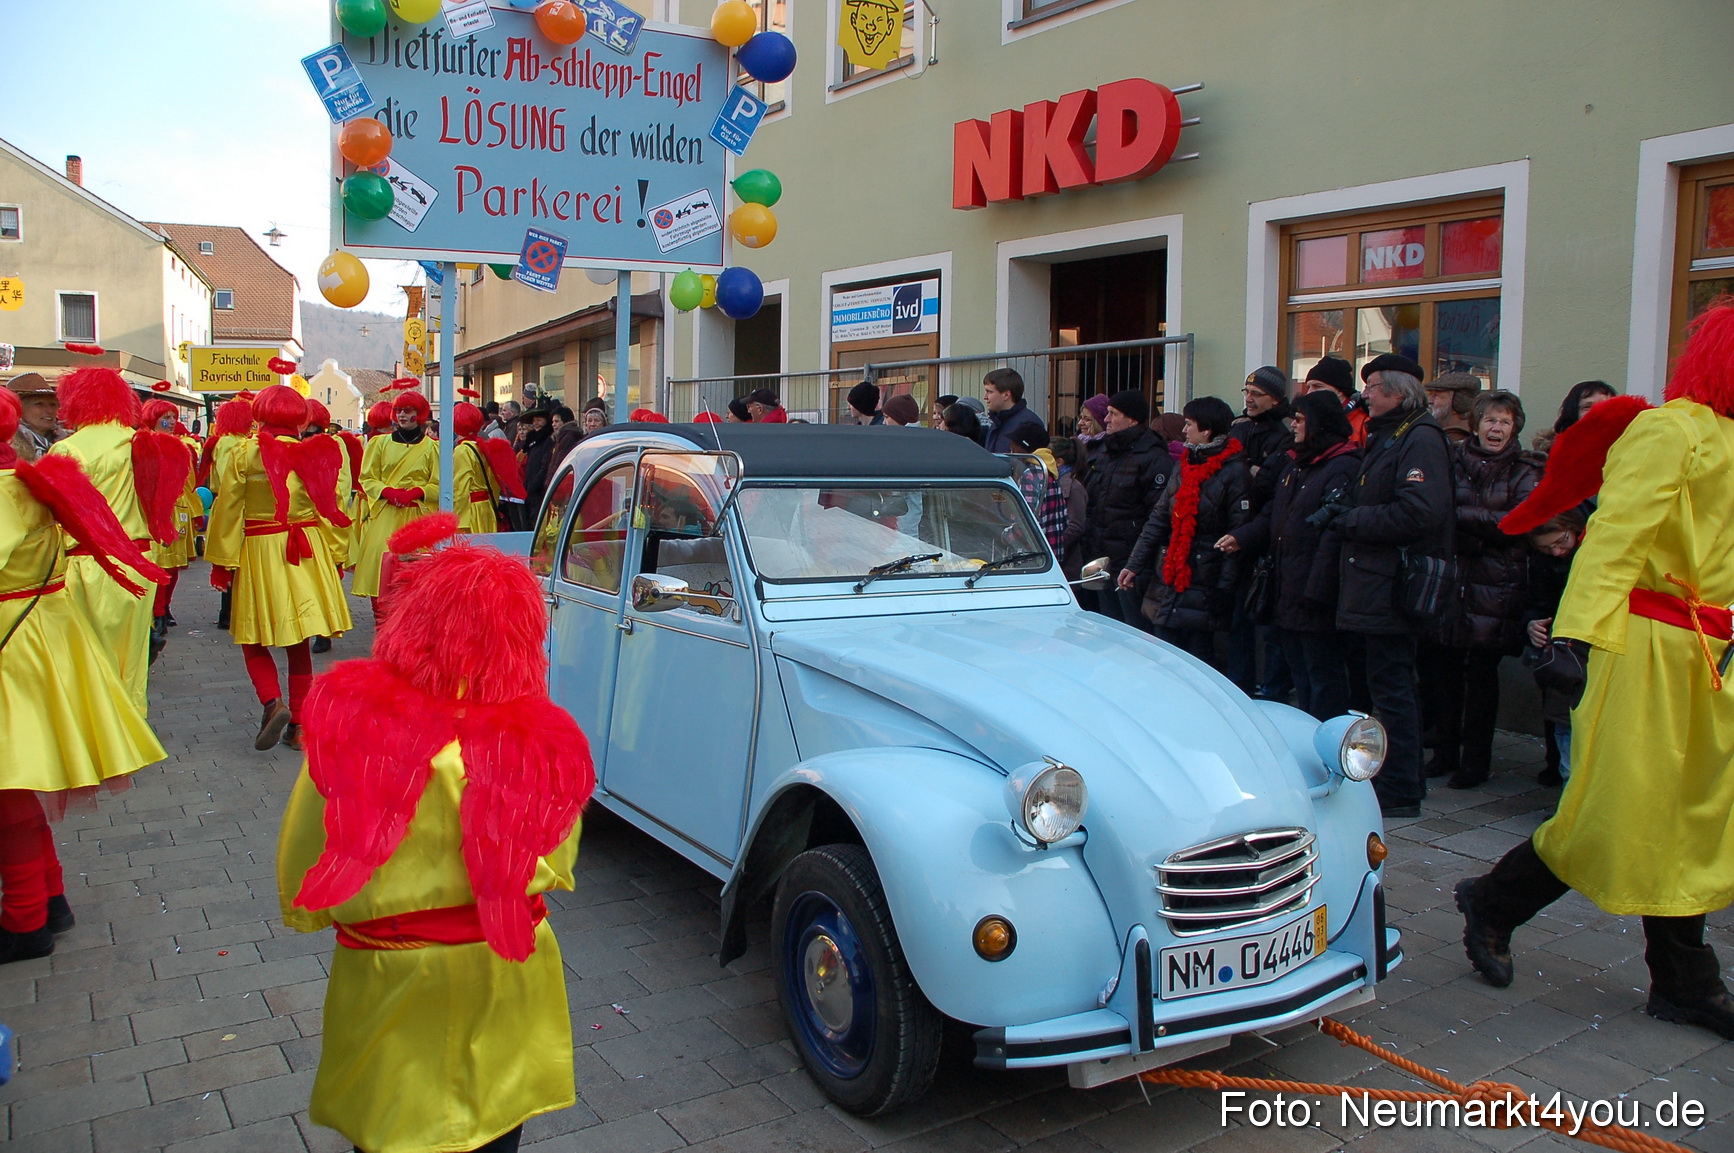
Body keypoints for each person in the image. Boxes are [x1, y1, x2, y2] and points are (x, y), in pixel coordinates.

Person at [1455, 302, 1734, 1042]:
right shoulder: (1671, 430)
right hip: (1645, 646)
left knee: (1693, 816)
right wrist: (1571, 642)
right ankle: (1493, 899)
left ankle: (1683, 979)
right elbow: (1614, 535)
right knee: (1617, 812)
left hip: (1714, 657)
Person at [277, 514, 597, 1153]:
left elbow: (308, 850)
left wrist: (309, 914)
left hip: (392, 969)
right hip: (507, 961)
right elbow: (556, 859)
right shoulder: (543, 738)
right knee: (495, 1114)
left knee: (395, 1119)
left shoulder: (356, 726)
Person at [0, 387, 168, 963]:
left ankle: (27, 916)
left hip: (27, 632)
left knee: (12, 777)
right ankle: (45, 899)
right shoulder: (38, 475)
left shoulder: (46, 468)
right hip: (58, 620)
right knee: (23, 769)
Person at [1312, 353, 1453, 819]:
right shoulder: (1390, 436)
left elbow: (1419, 512)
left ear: (1396, 390)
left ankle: (1399, 789)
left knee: (1392, 689)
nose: (1364, 394)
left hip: (1393, 586)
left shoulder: (1419, 439)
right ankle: (1394, 781)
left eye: (1371, 386)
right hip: (1374, 584)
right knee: (1382, 686)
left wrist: (1351, 519)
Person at [205, 385, 353, 752]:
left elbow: (227, 509)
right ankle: (300, 725)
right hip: (307, 548)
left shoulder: (244, 453)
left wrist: (222, 562)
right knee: (299, 639)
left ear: (261, 415)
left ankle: (272, 703)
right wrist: (336, 555)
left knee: (252, 634)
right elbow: (329, 507)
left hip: (260, 546)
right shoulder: (313, 453)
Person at [47, 367, 191, 713]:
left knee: (90, 659)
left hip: (89, 565)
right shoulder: (143, 443)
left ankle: (102, 736)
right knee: (132, 656)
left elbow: (55, 518)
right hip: (140, 562)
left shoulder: (68, 450)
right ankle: (132, 724)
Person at [1421, 390, 1541, 789]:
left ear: (1514, 428)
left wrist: (1463, 522)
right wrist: (1473, 527)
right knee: (1444, 672)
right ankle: (1444, 752)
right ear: (1476, 423)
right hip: (1452, 581)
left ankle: (1475, 761)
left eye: (1505, 422)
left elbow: (1519, 520)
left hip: (1496, 586)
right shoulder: (1451, 459)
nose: (1497, 428)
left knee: (1482, 678)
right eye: (1490, 420)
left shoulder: (1525, 469)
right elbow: (1433, 508)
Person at [1219, 390, 1362, 720]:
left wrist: (1315, 591)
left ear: (1318, 424)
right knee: (1300, 670)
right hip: (1287, 585)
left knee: (1322, 674)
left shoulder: (1342, 467)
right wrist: (1242, 537)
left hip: (1314, 591)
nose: (1293, 425)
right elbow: (1273, 515)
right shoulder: (1296, 465)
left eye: (1300, 419)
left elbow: (1332, 536)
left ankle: (1325, 735)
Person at [1119, 396, 1251, 660]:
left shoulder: (1234, 472)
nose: (1184, 430)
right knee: (1163, 655)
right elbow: (1158, 519)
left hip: (1205, 579)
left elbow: (1237, 535)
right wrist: (1133, 565)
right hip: (1169, 572)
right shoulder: (1184, 465)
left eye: (1190, 424)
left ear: (1207, 429)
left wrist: (1223, 591)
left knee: (1197, 657)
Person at [1083, 390, 1171, 630]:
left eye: (1114, 414)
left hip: (1131, 565)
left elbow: (1158, 515)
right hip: (1102, 560)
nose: (1107, 419)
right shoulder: (1106, 452)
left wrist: (1137, 562)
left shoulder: (1153, 457)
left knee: (1132, 631)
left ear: (1132, 419)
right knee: (1106, 629)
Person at [352, 391, 438, 620]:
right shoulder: (379, 444)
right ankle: (382, 629)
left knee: (416, 577)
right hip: (386, 515)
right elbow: (367, 477)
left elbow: (440, 485)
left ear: (418, 415)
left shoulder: (432, 448)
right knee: (379, 573)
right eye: (399, 410)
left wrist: (418, 492)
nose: (401, 415)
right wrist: (387, 492)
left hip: (417, 519)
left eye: (408, 410)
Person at [1521, 509, 1589, 786]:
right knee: (1560, 720)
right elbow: (1531, 601)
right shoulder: (1541, 562)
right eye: (1548, 548)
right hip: (1558, 652)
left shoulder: (1590, 553)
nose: (1558, 551)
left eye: (1561, 542)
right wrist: (1530, 625)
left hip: (1583, 646)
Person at [138, 400, 197, 658]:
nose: (172, 421)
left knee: (174, 565)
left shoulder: (183, 447)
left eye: (173, 416)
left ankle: (165, 607)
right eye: (166, 416)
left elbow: (191, 481)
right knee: (160, 563)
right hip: (156, 510)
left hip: (179, 509)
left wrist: (192, 512)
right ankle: (158, 612)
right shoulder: (142, 445)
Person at [453, 402, 527, 534]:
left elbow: (461, 488)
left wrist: (459, 522)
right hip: (486, 509)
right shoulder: (483, 447)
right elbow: (494, 482)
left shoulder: (462, 451)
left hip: (471, 512)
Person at [1530, 380, 1618, 456]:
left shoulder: (1624, 448)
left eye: (1605, 406)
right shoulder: (1551, 454)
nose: (1597, 412)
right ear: (1573, 411)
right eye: (1587, 407)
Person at [1296, 356, 1366, 445]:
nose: (1309, 393)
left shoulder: (1364, 424)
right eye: (1308, 387)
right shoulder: (1308, 420)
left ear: (1340, 391)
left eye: (1318, 386)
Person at [1049, 437, 1090, 580]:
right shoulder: (1051, 483)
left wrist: (1052, 547)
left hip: (1066, 562)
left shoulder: (1073, 488)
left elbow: (1076, 526)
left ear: (1059, 462)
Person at [982, 368, 1047, 453]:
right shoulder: (996, 421)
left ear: (1006, 395)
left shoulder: (1028, 424)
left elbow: (1031, 462)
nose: (985, 397)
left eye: (989, 392)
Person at [6, 373, 58, 462]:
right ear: (20, 409)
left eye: (53, 405)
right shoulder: (7, 445)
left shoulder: (68, 443)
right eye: (39, 404)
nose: (49, 411)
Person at [1426, 372, 1481, 445]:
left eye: (1436, 395)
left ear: (1459, 403)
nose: (1429, 400)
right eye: (1430, 394)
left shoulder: (1463, 445)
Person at [1074, 394, 1109, 461]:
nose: (1080, 423)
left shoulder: (1107, 448)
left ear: (1099, 423)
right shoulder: (1075, 443)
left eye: (1087, 419)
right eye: (1080, 418)